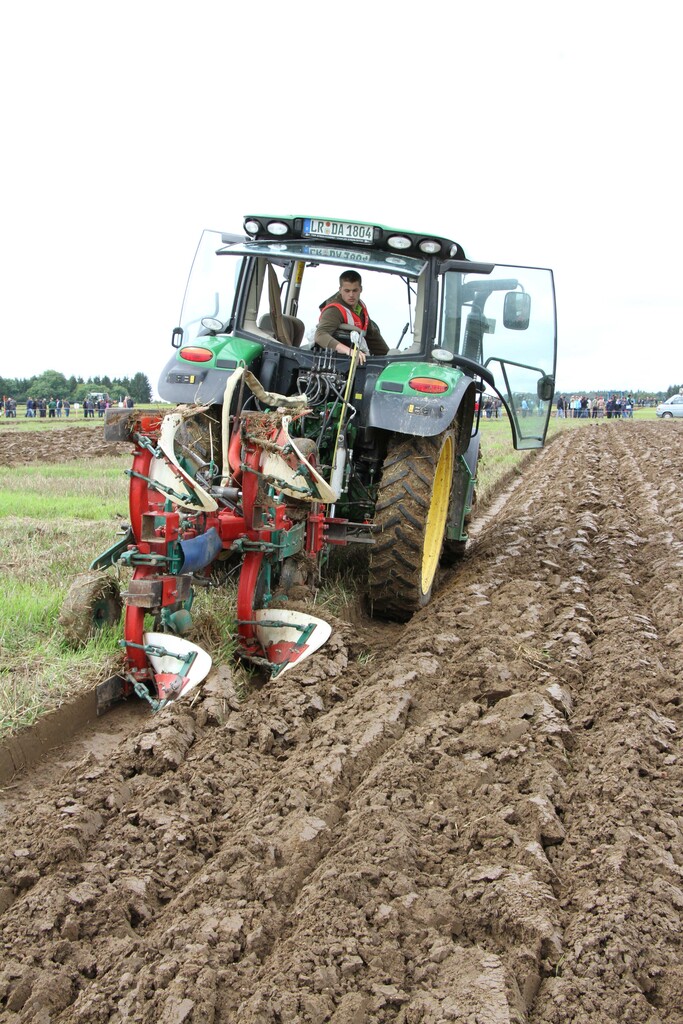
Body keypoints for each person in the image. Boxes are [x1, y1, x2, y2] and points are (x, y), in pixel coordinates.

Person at [315, 270, 388, 365]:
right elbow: (320, 335)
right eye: (347, 291)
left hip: (360, 360)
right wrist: (349, 351)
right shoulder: (334, 310)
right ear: (340, 290)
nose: (351, 295)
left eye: (355, 290)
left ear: (361, 289)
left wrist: (390, 358)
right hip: (338, 362)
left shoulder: (360, 307)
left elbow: (373, 337)